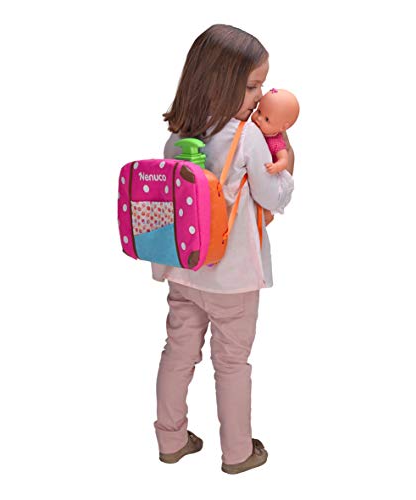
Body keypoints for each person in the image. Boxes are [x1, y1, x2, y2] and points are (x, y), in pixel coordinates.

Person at [151, 24, 295, 474]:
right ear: (221, 81)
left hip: (183, 270)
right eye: (251, 86)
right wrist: (287, 163)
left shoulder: (178, 135)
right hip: (232, 279)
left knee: (177, 353)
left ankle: (171, 440)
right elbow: (275, 197)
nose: (259, 96)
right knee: (232, 363)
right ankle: (237, 453)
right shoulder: (246, 136)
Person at [251, 87, 300, 226]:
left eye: (267, 119)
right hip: (261, 171)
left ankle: (268, 213)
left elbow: (284, 159)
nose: (258, 118)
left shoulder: (275, 141)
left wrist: (276, 167)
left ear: (283, 127)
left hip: (273, 174)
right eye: (259, 111)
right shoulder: (255, 130)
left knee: (266, 197)